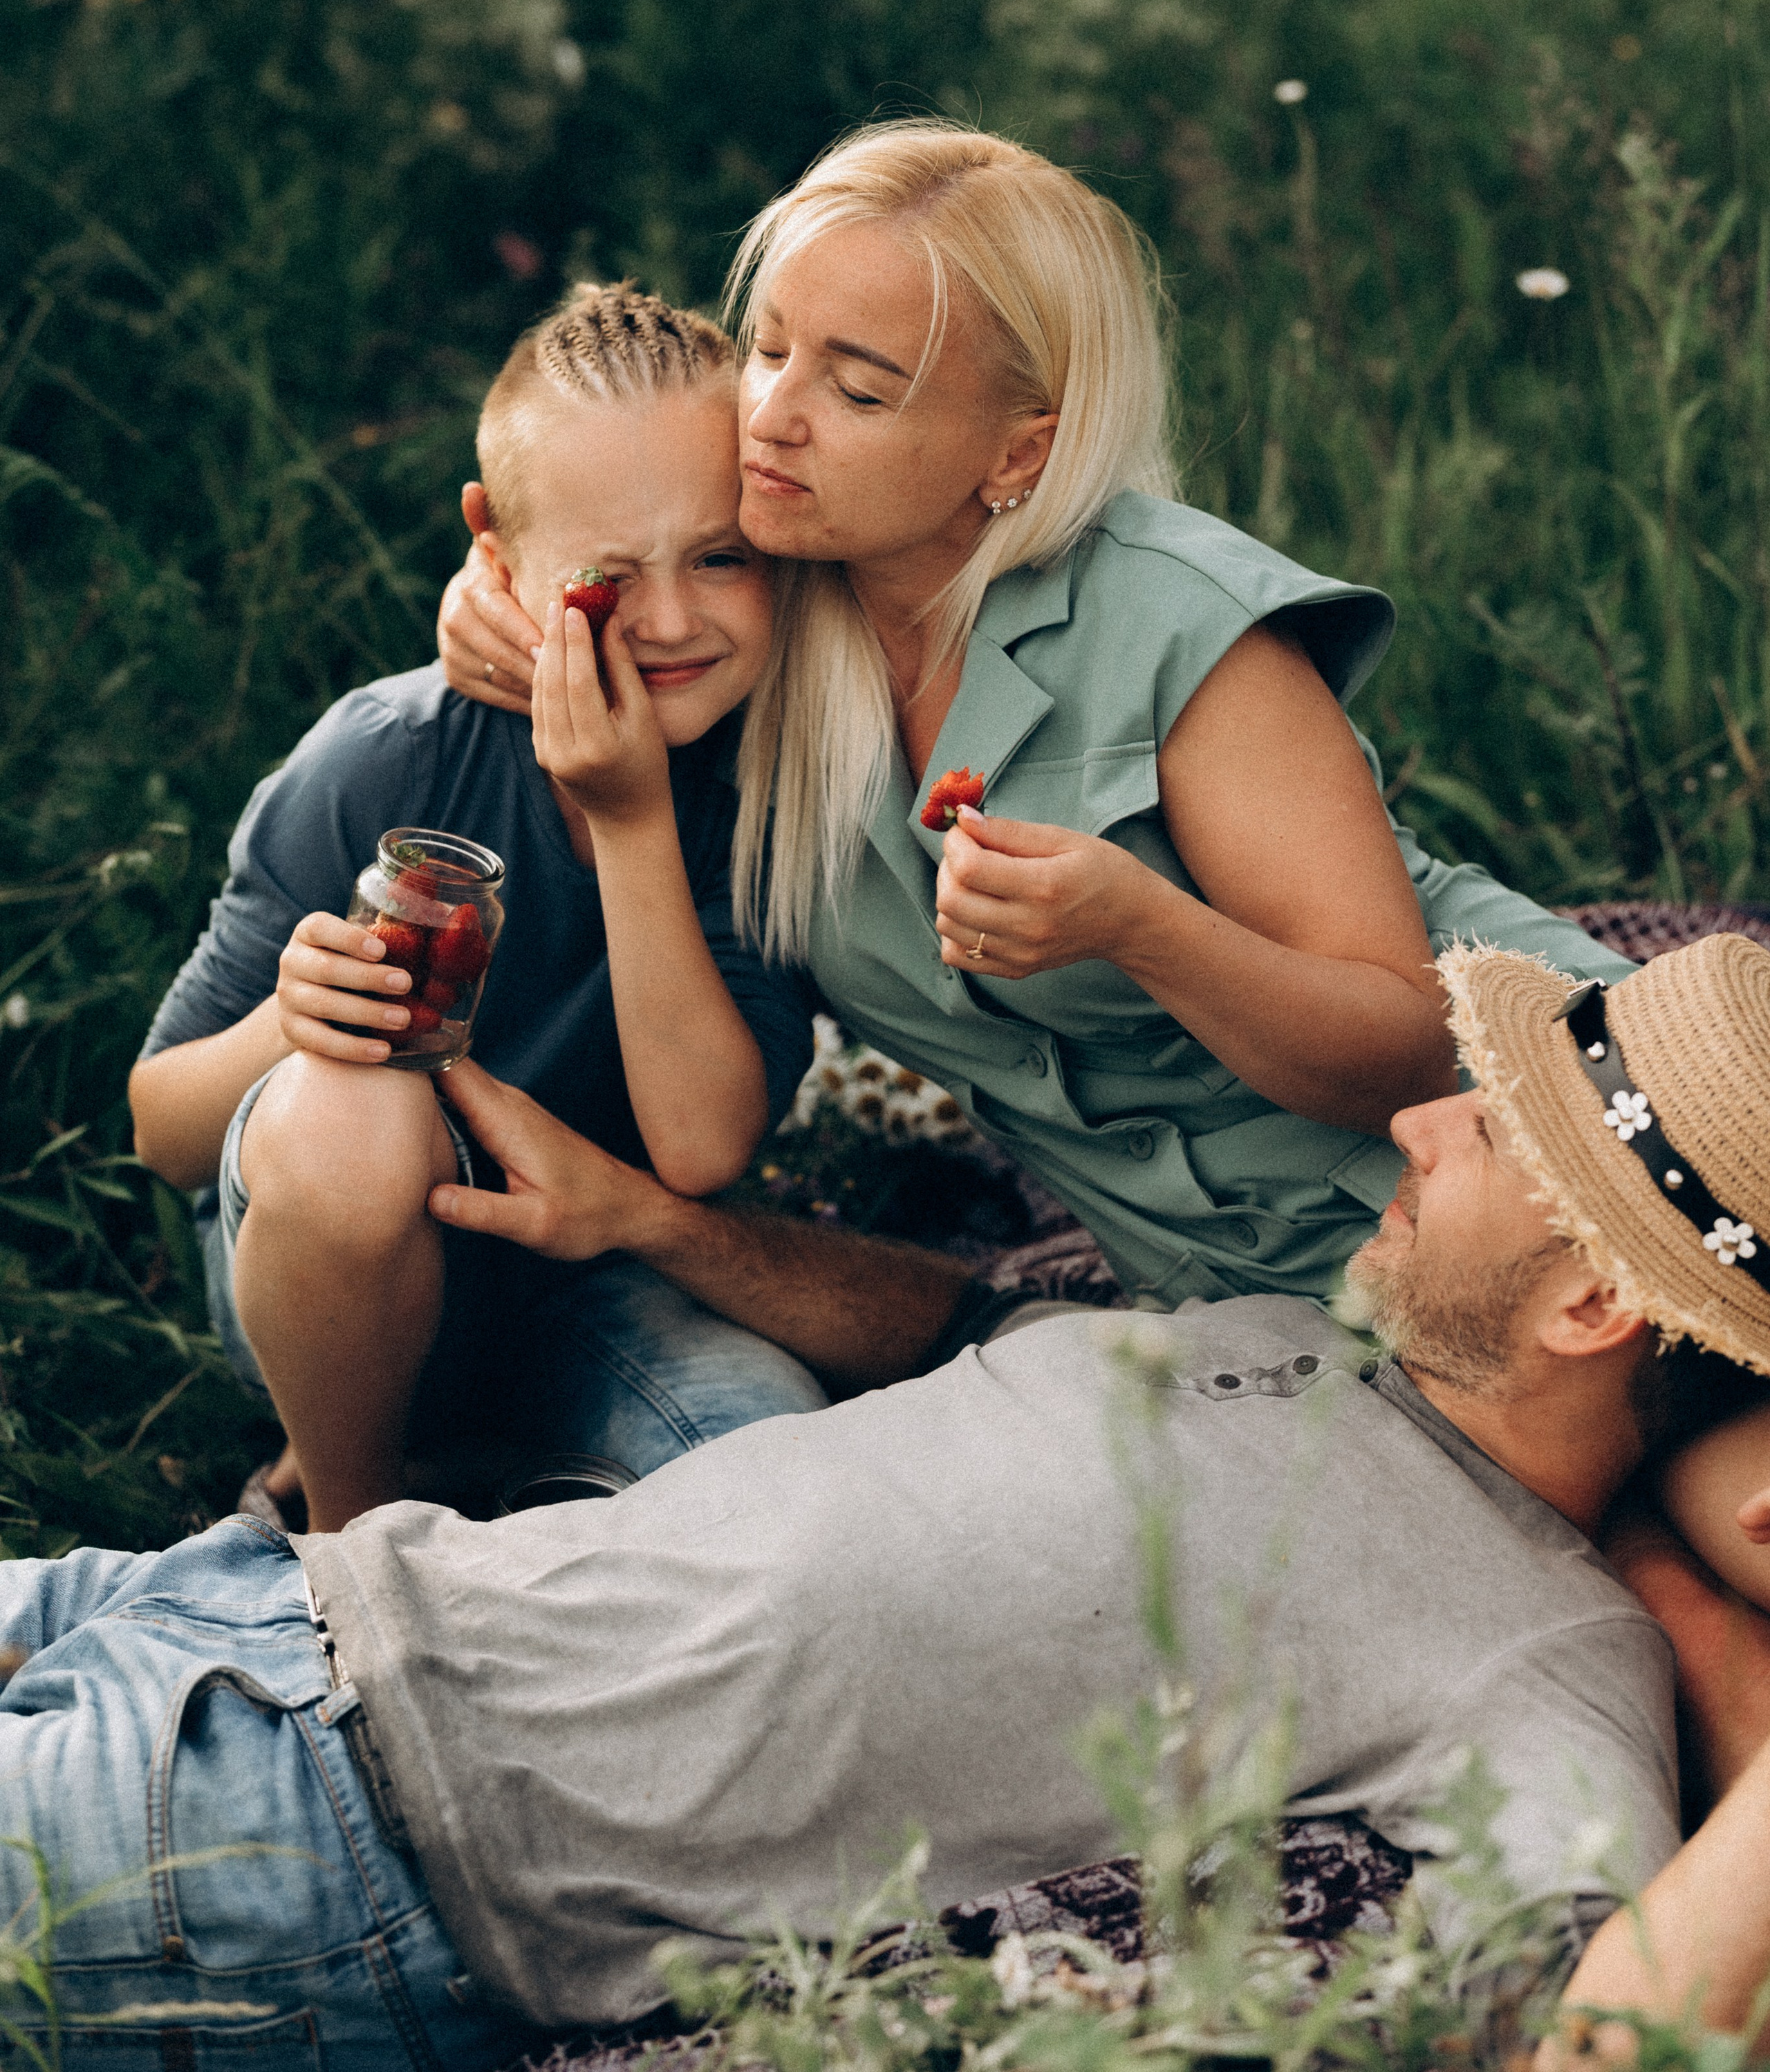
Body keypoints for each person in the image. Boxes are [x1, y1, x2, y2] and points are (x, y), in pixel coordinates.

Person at [11, 931, 1770, 2062]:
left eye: (1493, 1135)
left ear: (1592, 1305)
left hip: (331, 1842)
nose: (1416, 1126)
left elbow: (1612, 2035)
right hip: (271, 1595)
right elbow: (970, 1326)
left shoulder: (1534, 1662)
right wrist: (660, 1226)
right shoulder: (1303, 1342)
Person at [440, 120, 1637, 1320]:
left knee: (1715, 1476)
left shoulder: (1169, 622)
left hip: (1561, 1150)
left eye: (858, 387)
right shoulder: (749, 617)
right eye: (767, 351)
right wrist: (486, 601)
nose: (772, 418)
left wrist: (1143, 928)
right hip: (1254, 1306)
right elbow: (580, 527)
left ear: (1018, 452)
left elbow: (1415, 1039)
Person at [127, 287, 839, 1531]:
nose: (671, 621)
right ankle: (347, 1534)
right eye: (609, 579)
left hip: (595, 1282)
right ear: (494, 554)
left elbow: (701, 1150)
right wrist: (291, 1025)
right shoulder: (388, 758)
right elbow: (165, 1130)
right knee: (357, 1108)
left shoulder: (772, 790)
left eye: (721, 557)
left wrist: (631, 816)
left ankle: (497, 1490)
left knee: (774, 1461)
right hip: (328, 1268)